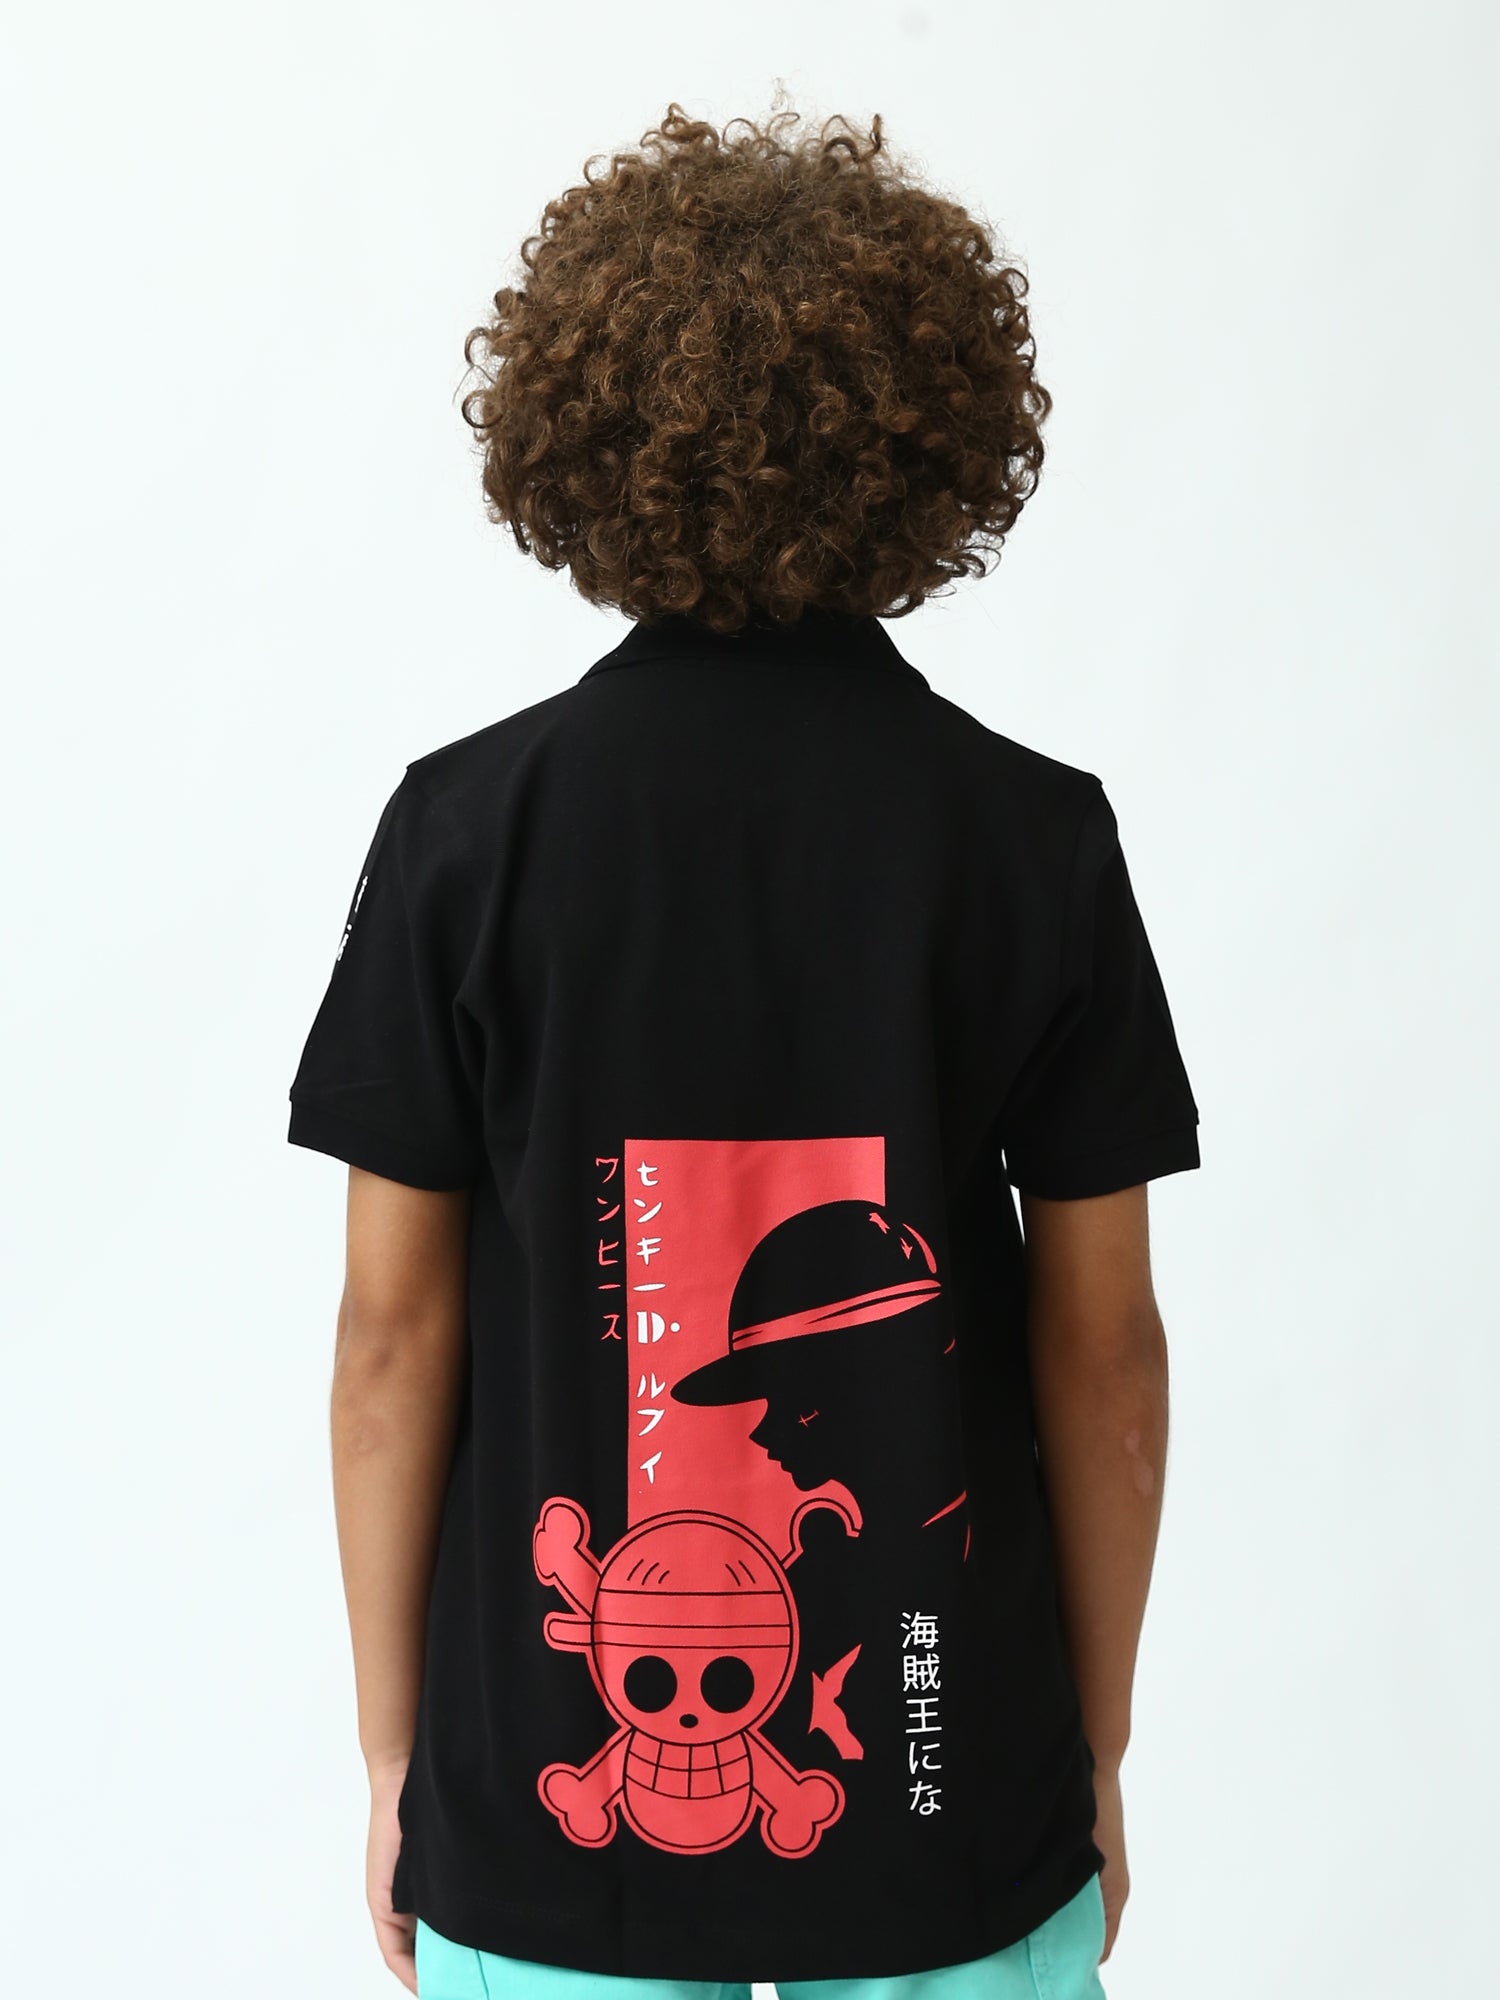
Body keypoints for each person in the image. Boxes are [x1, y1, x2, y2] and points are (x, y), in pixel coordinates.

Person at [286, 101, 1201, 2000]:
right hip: (957, 1812)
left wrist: (395, 1762)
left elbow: (388, 1339)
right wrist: (1094, 1755)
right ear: (926, 443)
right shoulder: (1028, 839)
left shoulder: (469, 834)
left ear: (583, 436)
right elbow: (1106, 1351)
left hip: (547, 1838)